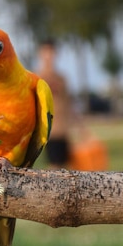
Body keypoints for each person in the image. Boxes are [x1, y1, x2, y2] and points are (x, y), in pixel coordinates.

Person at [36, 38, 75, 169]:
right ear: (40, 54)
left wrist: (80, 128)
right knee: (54, 169)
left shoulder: (62, 78)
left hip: (63, 130)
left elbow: (68, 104)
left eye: (51, 52)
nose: (49, 56)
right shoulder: (37, 78)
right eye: (46, 52)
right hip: (49, 132)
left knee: (66, 168)